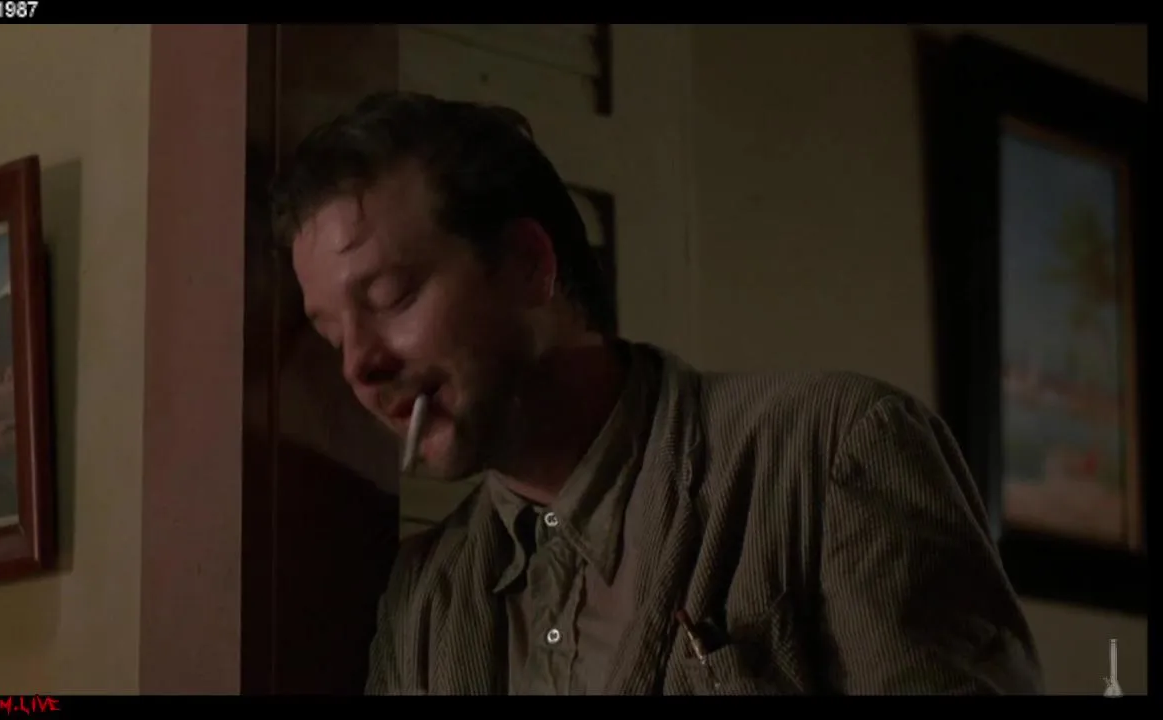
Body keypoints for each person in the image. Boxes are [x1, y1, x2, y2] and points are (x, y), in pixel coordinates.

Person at [269, 91, 1045, 695]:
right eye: (333, 336)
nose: (358, 366)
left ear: (529, 265)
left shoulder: (831, 452)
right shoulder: (425, 598)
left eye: (393, 296)